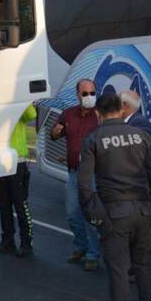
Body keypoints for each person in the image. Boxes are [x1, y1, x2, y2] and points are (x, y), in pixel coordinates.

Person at [78, 93, 151, 301]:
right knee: (144, 267)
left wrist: (94, 216)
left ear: (98, 113)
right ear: (121, 109)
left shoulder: (94, 139)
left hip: (115, 212)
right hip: (143, 210)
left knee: (118, 269)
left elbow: (85, 186)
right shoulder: (142, 136)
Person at [50, 79, 101, 270]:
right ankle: (80, 247)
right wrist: (55, 132)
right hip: (73, 173)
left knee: (91, 216)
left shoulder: (100, 115)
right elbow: (55, 135)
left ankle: (93, 255)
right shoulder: (69, 114)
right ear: (78, 95)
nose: (90, 97)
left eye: (92, 93)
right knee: (72, 213)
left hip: (93, 174)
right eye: (85, 93)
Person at [0, 104, 38, 257]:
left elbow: (31, 115)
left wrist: (22, 98)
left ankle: (26, 243)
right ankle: (7, 241)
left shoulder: (19, 104)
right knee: (3, 205)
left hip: (17, 161)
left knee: (21, 204)